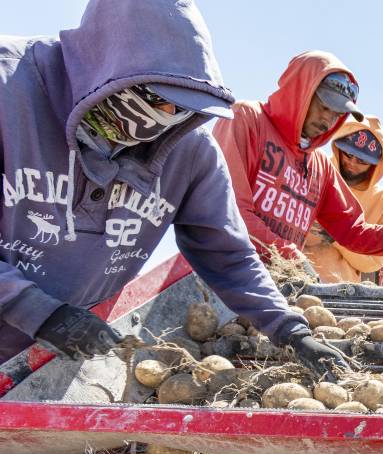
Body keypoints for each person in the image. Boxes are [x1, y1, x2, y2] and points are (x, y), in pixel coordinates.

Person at [0, 0, 344, 377]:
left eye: (180, 106)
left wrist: (289, 329)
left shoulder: (189, 148)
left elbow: (228, 255)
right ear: (109, 68)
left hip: (56, 360)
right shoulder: (10, 87)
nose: (167, 118)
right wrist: (39, 312)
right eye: (158, 99)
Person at [214, 52, 383, 273]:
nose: (328, 120)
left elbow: (353, 231)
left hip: (273, 279)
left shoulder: (320, 166)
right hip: (220, 272)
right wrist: (291, 256)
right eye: (324, 107)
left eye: (337, 114)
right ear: (300, 91)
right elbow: (229, 210)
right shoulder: (246, 119)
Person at [303, 116, 383, 283]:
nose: (352, 163)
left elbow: (375, 262)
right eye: (348, 154)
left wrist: (337, 238)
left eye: (361, 160)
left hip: (340, 288)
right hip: (292, 274)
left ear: (375, 164)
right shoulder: (313, 170)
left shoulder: (381, 201)